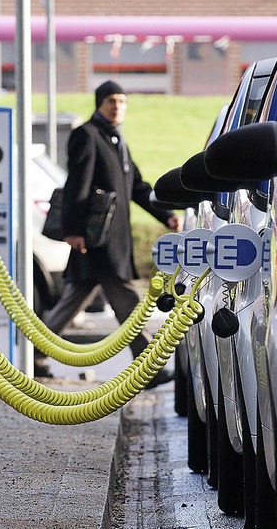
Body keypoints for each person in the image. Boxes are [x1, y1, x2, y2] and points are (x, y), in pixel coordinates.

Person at [38, 80, 180, 388]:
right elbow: (78, 186)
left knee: (70, 304)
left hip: (108, 241)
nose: (117, 107)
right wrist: (73, 231)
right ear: (99, 103)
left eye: (121, 101)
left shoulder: (116, 140)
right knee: (130, 305)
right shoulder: (87, 136)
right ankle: (149, 370)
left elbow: (138, 188)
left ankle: (32, 355)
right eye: (111, 101)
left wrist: (165, 215)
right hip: (96, 241)